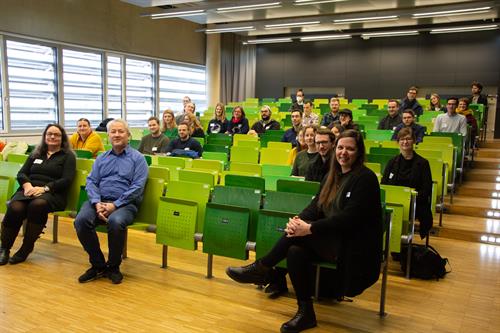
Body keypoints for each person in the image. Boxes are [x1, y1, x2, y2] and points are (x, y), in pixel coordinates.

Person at [226, 129, 382, 333]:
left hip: (353, 245)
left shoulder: (365, 179)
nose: (344, 152)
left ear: (358, 152)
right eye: (341, 147)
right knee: (294, 251)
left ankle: (262, 268)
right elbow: (316, 206)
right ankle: (305, 312)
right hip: (333, 238)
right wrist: (297, 220)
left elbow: (349, 219)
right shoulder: (332, 175)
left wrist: (309, 228)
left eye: (350, 149)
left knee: (296, 239)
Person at [74, 119, 148, 284]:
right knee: (81, 220)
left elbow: (137, 187)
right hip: (99, 201)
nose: (116, 135)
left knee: (115, 222)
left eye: (120, 131)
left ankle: (114, 266)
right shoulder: (101, 158)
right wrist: (96, 202)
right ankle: (98, 265)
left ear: (128, 135)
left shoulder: (138, 159)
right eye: (113, 132)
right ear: (108, 135)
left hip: (125, 204)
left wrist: (115, 205)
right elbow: (91, 181)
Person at [0, 124, 76, 265]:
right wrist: (27, 185)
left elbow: (67, 180)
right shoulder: (36, 153)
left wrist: (45, 188)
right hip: (28, 190)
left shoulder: (68, 156)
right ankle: (4, 248)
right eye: (49, 134)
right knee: (15, 207)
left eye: (56, 134)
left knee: (37, 205)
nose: (52, 137)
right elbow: (22, 173)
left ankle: (26, 247)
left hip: (53, 193)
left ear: (62, 138)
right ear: (45, 136)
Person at [382, 127, 433, 239]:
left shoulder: (423, 163)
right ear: (398, 142)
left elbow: (426, 189)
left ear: (414, 141)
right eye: (402, 139)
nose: (405, 142)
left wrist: (410, 200)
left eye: (408, 139)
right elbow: (384, 184)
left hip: (415, 203)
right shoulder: (392, 162)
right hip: (395, 202)